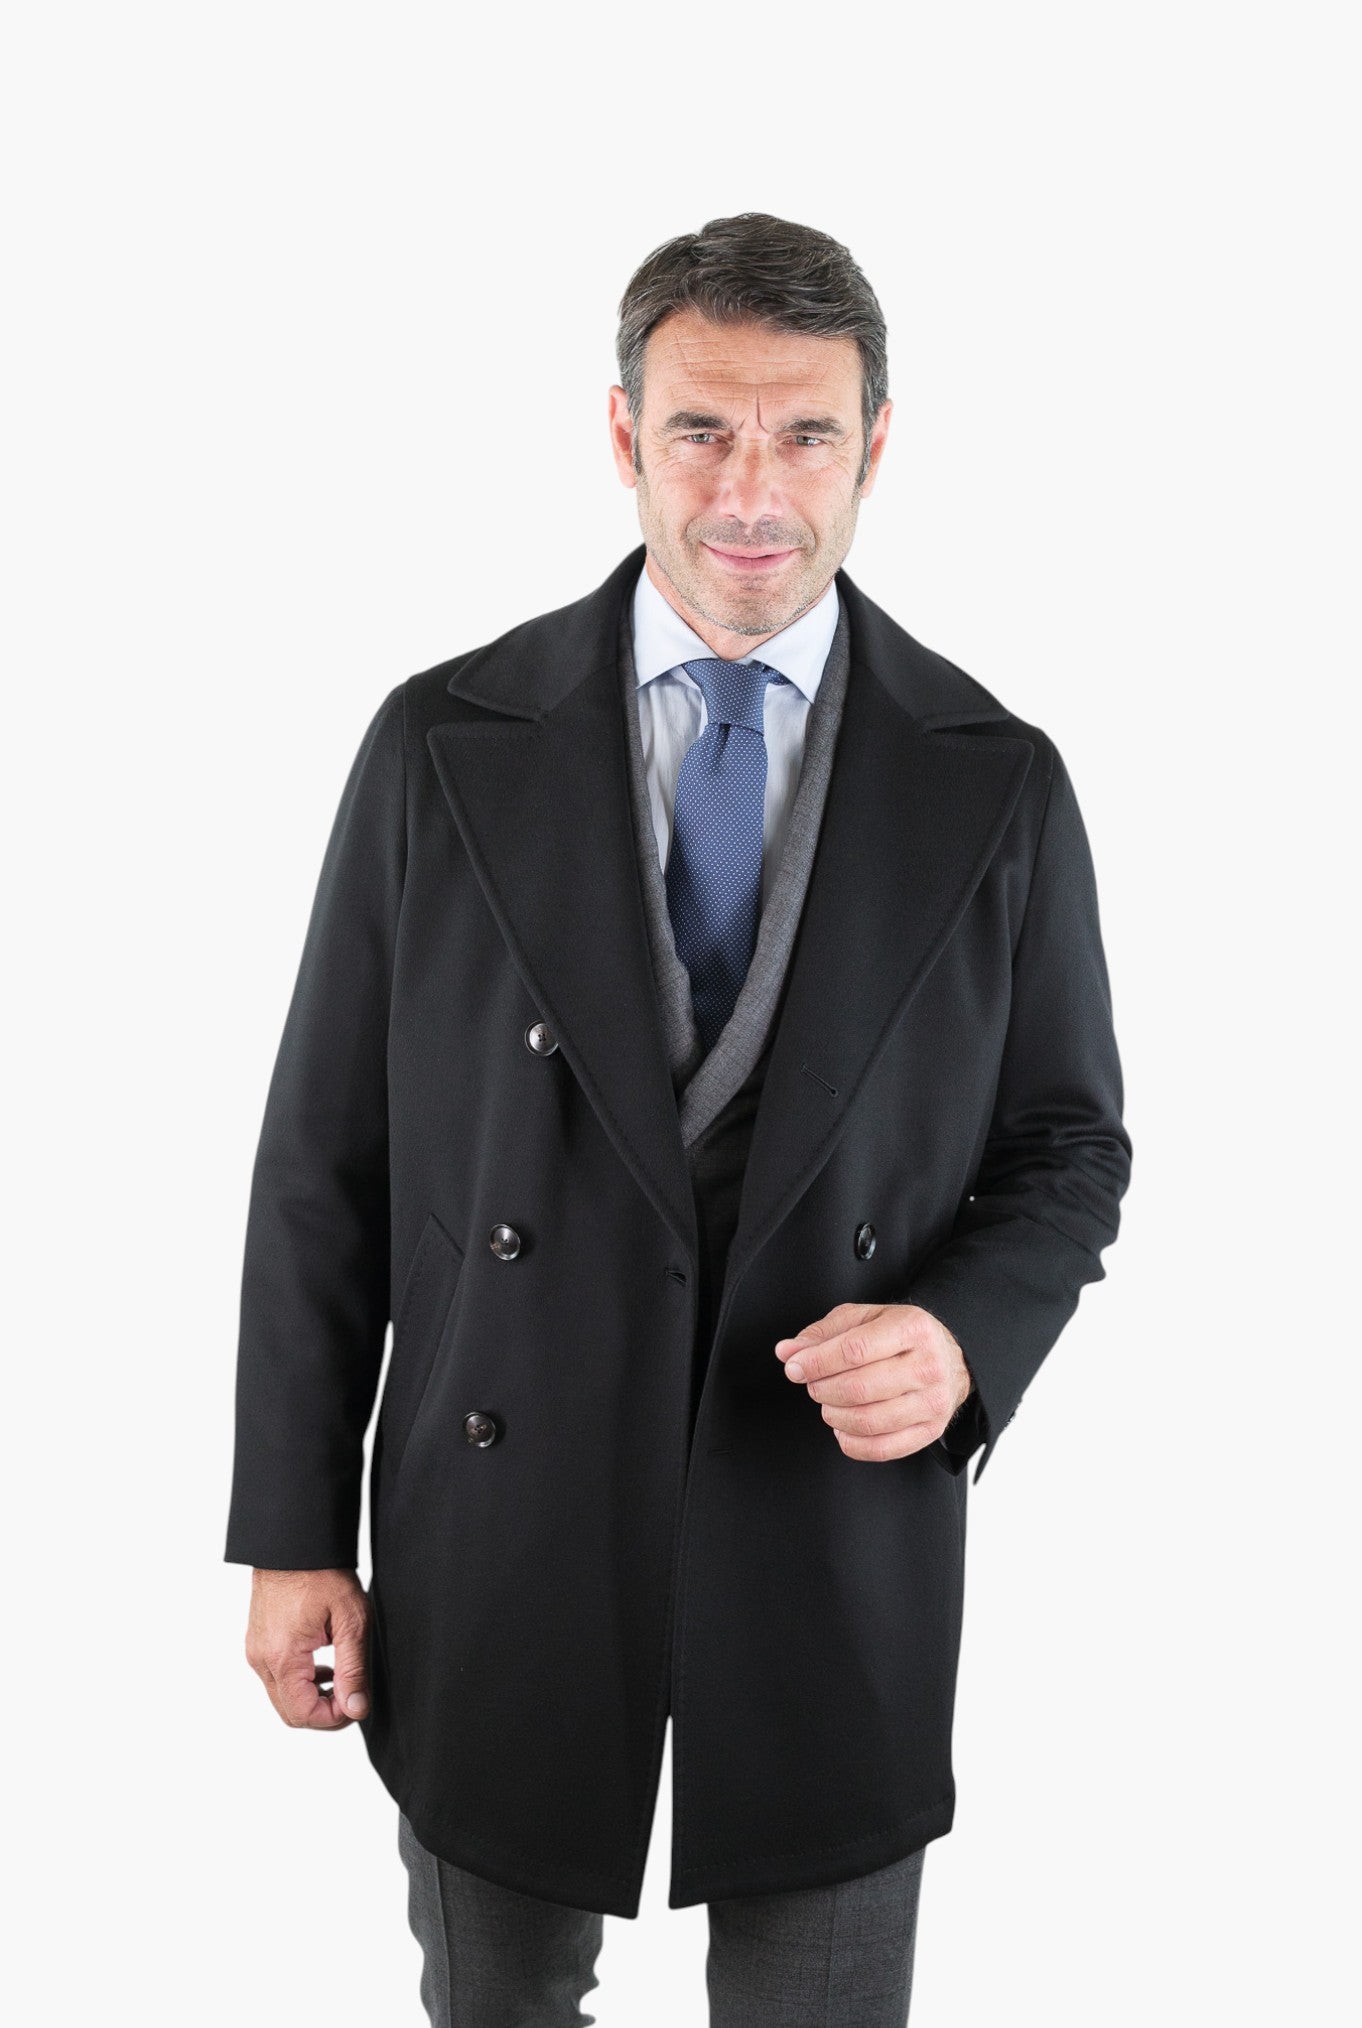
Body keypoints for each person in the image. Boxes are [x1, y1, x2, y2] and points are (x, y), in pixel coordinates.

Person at [224, 211, 1132, 2026]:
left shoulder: (997, 779)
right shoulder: (439, 742)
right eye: (702, 429)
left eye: (804, 434)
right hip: (500, 1505)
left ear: (876, 445)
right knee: (494, 2005)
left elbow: (1068, 1143)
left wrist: (963, 1335)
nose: (750, 492)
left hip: (828, 1509)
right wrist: (291, 1528)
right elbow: (326, 1158)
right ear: (622, 434)